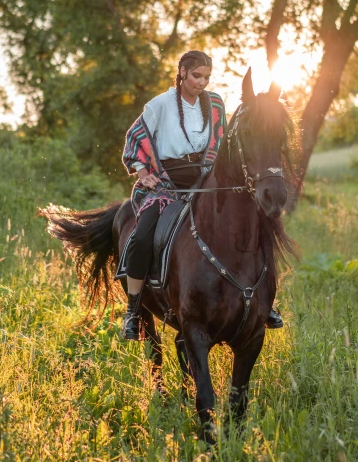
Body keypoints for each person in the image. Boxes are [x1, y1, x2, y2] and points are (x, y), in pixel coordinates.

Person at [120, 50, 283, 340]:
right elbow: (135, 137)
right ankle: (133, 310)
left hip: (208, 178)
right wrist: (143, 172)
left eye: (207, 77)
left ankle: (265, 303)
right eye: (196, 75)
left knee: (258, 227)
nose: (201, 82)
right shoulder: (159, 105)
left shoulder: (216, 104)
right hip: (168, 183)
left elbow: (233, 140)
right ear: (182, 72)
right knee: (142, 235)